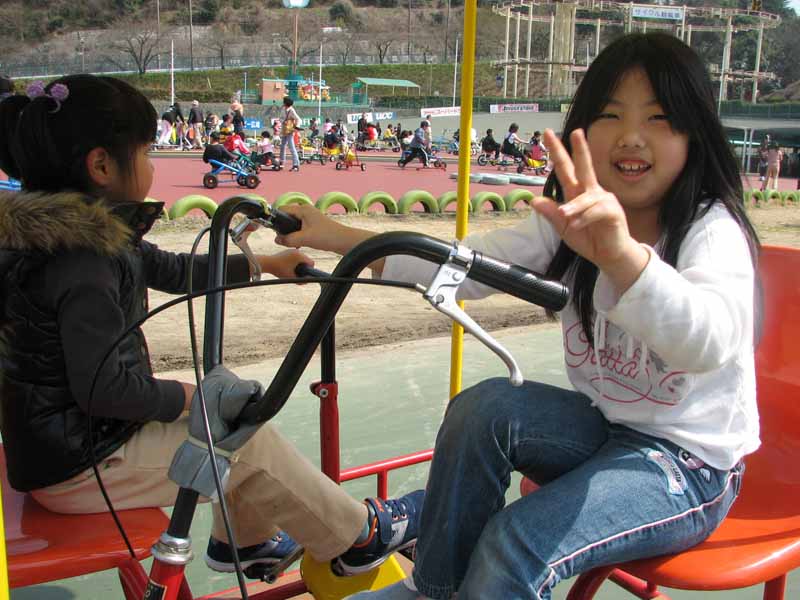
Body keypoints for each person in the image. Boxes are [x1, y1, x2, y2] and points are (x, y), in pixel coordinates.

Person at [274, 32, 760, 599]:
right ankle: (435, 589)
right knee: (482, 409)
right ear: (582, 130)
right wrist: (336, 235)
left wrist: (622, 258)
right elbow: (467, 266)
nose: (632, 136)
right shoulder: (567, 226)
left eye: (659, 118)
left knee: (515, 541)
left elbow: (709, 342)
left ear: (694, 135)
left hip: (690, 468)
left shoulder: (711, 230)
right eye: (610, 115)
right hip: (608, 429)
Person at [0, 74, 424, 581]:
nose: (152, 164)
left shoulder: (85, 233)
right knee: (242, 438)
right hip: (79, 467)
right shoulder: (81, 261)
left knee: (231, 416)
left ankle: (245, 542)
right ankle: (357, 536)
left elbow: (175, 270)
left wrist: (265, 264)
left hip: (66, 444)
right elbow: (106, 390)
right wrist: (191, 397)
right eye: (145, 152)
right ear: (102, 166)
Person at [279, 96, 301, 172]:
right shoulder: (283, 109)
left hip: (290, 130)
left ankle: (296, 164)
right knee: (282, 146)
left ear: (285, 103)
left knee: (292, 147)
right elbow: (280, 118)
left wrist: (296, 128)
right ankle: (281, 161)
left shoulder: (291, 110)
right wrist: (283, 121)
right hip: (284, 129)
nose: (283, 103)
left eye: (284, 102)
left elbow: (298, 119)